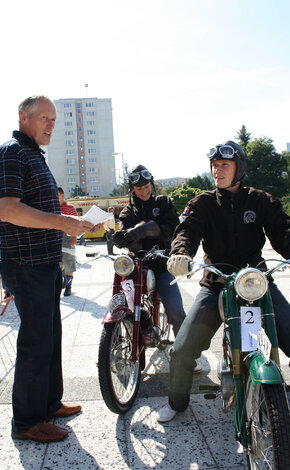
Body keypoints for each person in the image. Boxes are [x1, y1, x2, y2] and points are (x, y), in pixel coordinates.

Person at [0, 95, 101, 443]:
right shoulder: (12, 151)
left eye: (54, 119)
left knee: (51, 337)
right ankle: (26, 422)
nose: (51, 124)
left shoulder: (33, 155)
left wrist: (72, 223)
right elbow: (8, 210)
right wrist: (62, 222)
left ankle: (49, 403)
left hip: (45, 263)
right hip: (26, 264)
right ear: (23, 117)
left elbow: (39, 209)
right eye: (44, 118)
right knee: (36, 343)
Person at [157, 140, 290, 422]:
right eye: (214, 166)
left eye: (224, 165)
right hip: (216, 284)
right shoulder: (202, 203)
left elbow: (283, 232)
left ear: (238, 167)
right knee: (181, 351)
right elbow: (187, 231)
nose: (217, 171)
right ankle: (177, 402)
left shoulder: (261, 200)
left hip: (256, 282)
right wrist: (180, 254)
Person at [113, 164, 188, 345]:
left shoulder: (163, 202)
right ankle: (114, 339)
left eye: (147, 187)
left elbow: (173, 229)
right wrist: (120, 236)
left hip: (162, 265)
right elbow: (122, 232)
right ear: (132, 189)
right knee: (120, 302)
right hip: (137, 267)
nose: (144, 191)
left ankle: (187, 356)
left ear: (152, 185)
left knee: (177, 313)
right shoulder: (128, 211)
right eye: (139, 188)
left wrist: (147, 230)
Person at [58, 187, 78, 296]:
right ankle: (62, 282)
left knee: (69, 263)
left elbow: (76, 223)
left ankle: (68, 287)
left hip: (68, 238)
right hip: (55, 238)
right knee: (58, 264)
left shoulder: (70, 208)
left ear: (62, 195)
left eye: (57, 195)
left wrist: (74, 237)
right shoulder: (52, 208)